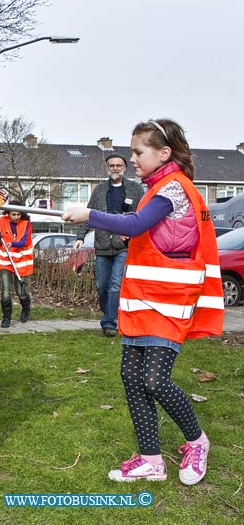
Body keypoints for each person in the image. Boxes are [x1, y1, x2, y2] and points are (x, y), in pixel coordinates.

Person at [63, 119, 224, 485]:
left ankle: (197, 441)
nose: (131, 159)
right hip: (143, 301)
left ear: (163, 153)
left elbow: (135, 225)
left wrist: (89, 215)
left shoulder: (174, 188)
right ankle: (151, 459)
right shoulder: (157, 187)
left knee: (153, 380)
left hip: (168, 304)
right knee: (132, 379)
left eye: (138, 152)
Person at [74, 154, 144, 337]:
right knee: (102, 285)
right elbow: (89, 214)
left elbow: (143, 217)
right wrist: (80, 236)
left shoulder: (136, 190)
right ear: (107, 168)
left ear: (124, 168)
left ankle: (109, 323)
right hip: (102, 245)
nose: (115, 168)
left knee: (115, 285)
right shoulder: (99, 190)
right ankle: (110, 313)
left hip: (123, 246)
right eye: (111, 165)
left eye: (118, 165)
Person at [0, 200, 33, 328]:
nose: (16, 217)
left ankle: (26, 307)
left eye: (18, 214)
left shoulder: (27, 224)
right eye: (13, 214)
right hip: (5, 260)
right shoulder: (1, 220)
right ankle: (6, 317)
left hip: (21, 261)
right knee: (6, 290)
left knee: (21, 291)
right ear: (8, 213)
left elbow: (24, 241)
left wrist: (12, 243)